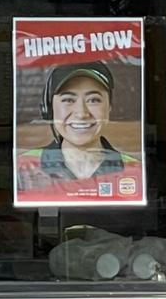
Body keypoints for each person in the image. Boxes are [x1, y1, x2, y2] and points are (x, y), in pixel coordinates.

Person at [16, 61, 142, 203]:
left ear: (109, 107)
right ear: (49, 109)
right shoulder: (22, 168)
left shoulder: (136, 171)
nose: (81, 113)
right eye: (68, 100)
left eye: (93, 100)